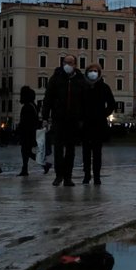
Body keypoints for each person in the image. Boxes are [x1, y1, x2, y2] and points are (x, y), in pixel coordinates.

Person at [42, 55, 84, 187]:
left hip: (73, 119)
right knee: (58, 149)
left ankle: (68, 177)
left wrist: (82, 117)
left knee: (71, 150)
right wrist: (44, 116)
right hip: (58, 118)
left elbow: (84, 99)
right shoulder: (55, 78)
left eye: (70, 62)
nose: (68, 64)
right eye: (66, 62)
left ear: (75, 64)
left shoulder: (80, 79)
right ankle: (58, 175)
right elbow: (48, 98)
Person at [79, 63, 116, 185]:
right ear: (87, 72)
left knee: (97, 152)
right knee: (85, 152)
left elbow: (111, 104)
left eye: (95, 70)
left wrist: (103, 114)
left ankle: (97, 176)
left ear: (99, 73)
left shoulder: (104, 87)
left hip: (98, 124)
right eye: (91, 70)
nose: (93, 72)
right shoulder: (82, 87)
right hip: (85, 123)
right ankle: (86, 174)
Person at [16, 86, 41, 176]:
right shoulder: (33, 106)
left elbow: (25, 122)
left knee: (26, 152)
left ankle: (26, 168)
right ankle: (25, 168)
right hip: (31, 133)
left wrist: (20, 131)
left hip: (27, 133)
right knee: (27, 152)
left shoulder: (27, 107)